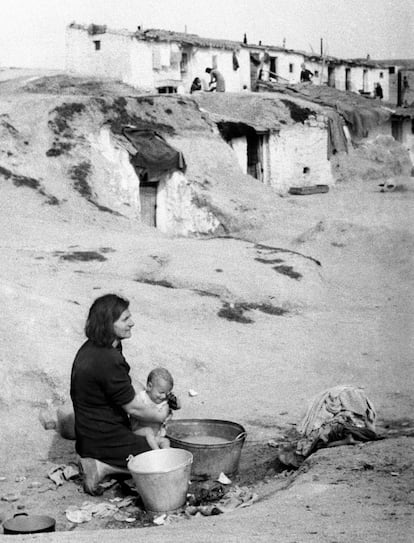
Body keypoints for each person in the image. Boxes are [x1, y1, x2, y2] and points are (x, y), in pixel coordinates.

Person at [70, 294, 171, 495]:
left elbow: (127, 380)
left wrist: (150, 396)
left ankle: (101, 462)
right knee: (162, 456)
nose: (132, 323)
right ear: (108, 324)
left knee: (157, 443)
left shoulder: (102, 347)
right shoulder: (107, 359)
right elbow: (132, 407)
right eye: (125, 319)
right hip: (103, 438)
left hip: (91, 434)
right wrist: (160, 414)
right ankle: (102, 466)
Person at [131, 367, 180, 449]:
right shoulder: (142, 397)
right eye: (161, 392)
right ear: (149, 386)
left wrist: (173, 399)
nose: (163, 396)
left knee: (165, 441)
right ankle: (157, 452)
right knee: (148, 431)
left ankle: (166, 454)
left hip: (155, 436)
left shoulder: (163, 401)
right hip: (139, 431)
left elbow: (178, 406)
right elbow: (133, 410)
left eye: (166, 393)